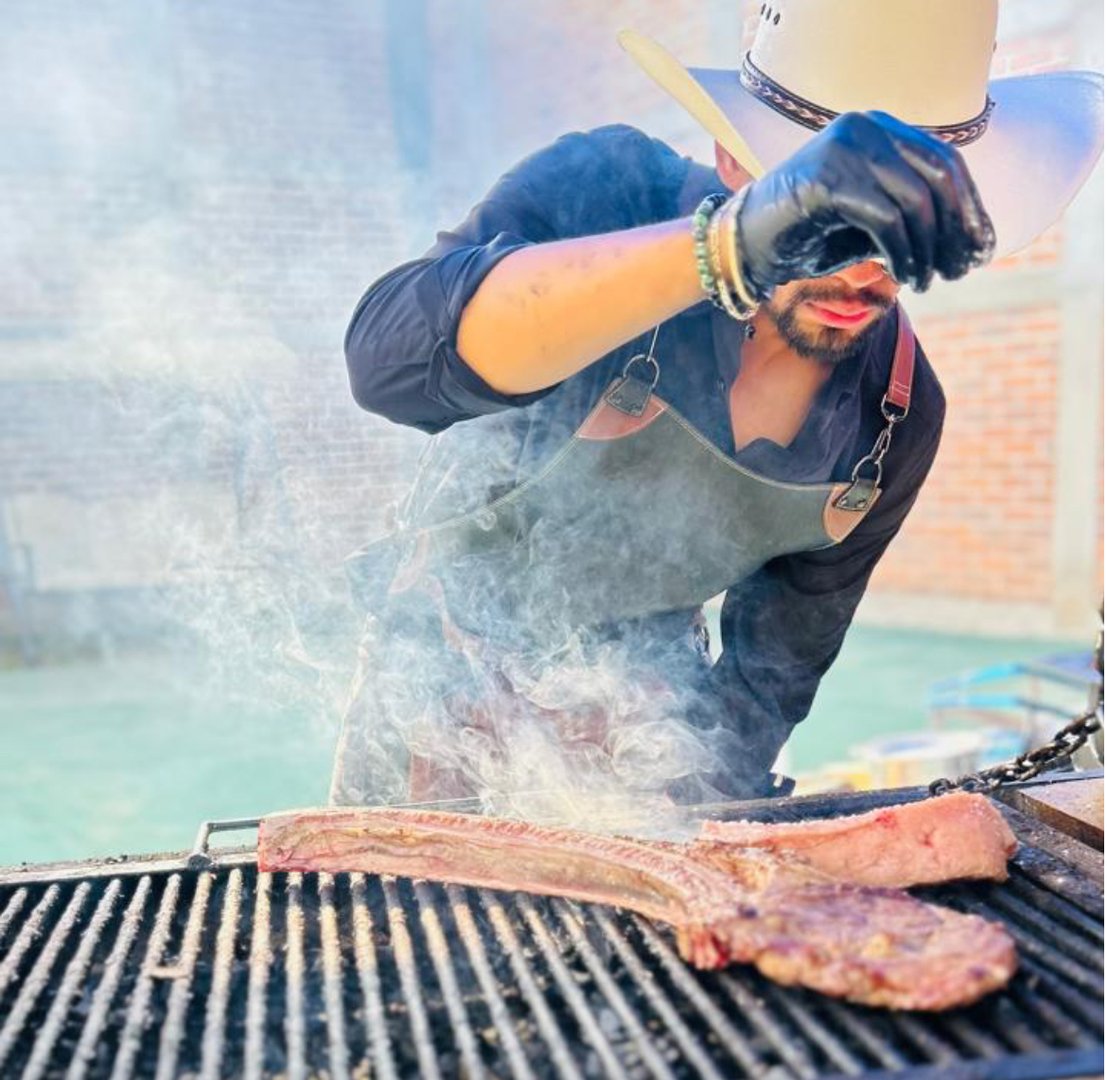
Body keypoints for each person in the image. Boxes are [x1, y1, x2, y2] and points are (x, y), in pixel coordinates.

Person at [330, 1, 1103, 808]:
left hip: (646, 720)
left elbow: (766, 682)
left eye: (900, 216)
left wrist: (694, 824)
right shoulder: (610, 195)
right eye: (837, 214)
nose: (863, 270)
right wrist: (726, 249)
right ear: (735, 162)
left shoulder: (895, 416)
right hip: (434, 697)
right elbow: (387, 363)